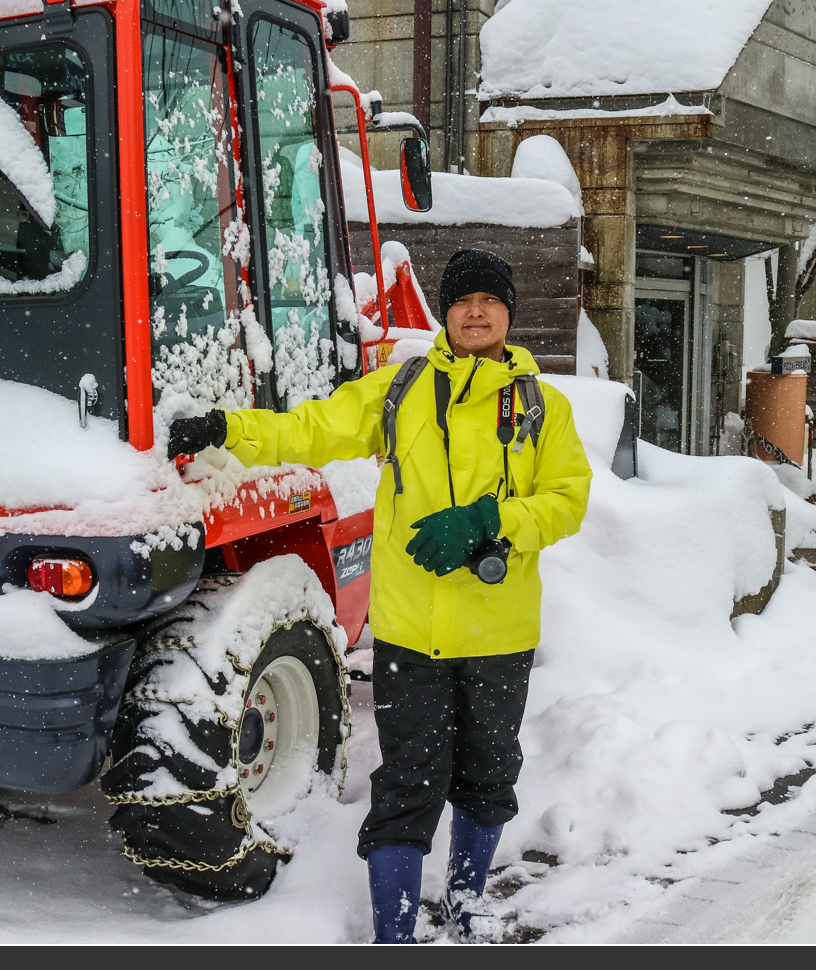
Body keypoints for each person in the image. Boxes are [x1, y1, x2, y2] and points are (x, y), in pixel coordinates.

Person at [167, 247, 592, 943]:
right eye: (462, 301)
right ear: (447, 315)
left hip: (499, 634)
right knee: (407, 784)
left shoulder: (542, 406)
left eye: (488, 300)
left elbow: (567, 501)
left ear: (507, 314)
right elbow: (313, 427)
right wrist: (229, 429)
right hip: (409, 634)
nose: (475, 312)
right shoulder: (401, 390)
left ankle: (466, 899)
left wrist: (490, 521)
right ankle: (393, 932)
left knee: (488, 775)